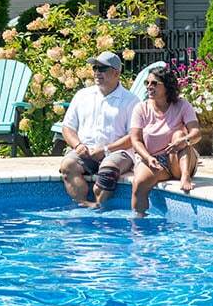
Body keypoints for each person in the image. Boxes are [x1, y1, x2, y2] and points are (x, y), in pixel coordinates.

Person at [58, 50, 141, 208]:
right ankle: (84, 206)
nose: (96, 72)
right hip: (85, 151)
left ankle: (99, 206)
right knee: (68, 165)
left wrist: (105, 149)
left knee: (108, 172)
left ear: (116, 73)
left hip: (117, 152)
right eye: (95, 68)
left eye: (102, 69)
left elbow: (134, 136)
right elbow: (68, 128)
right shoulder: (82, 96)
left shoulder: (131, 101)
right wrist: (78, 146)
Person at [129, 65, 201, 216]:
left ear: (167, 86)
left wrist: (185, 141)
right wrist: (148, 158)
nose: (149, 87)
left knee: (178, 135)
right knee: (138, 183)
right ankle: (139, 222)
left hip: (180, 159)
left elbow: (196, 133)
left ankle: (185, 175)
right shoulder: (141, 108)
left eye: (154, 83)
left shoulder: (182, 105)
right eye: (147, 83)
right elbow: (135, 140)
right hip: (154, 160)